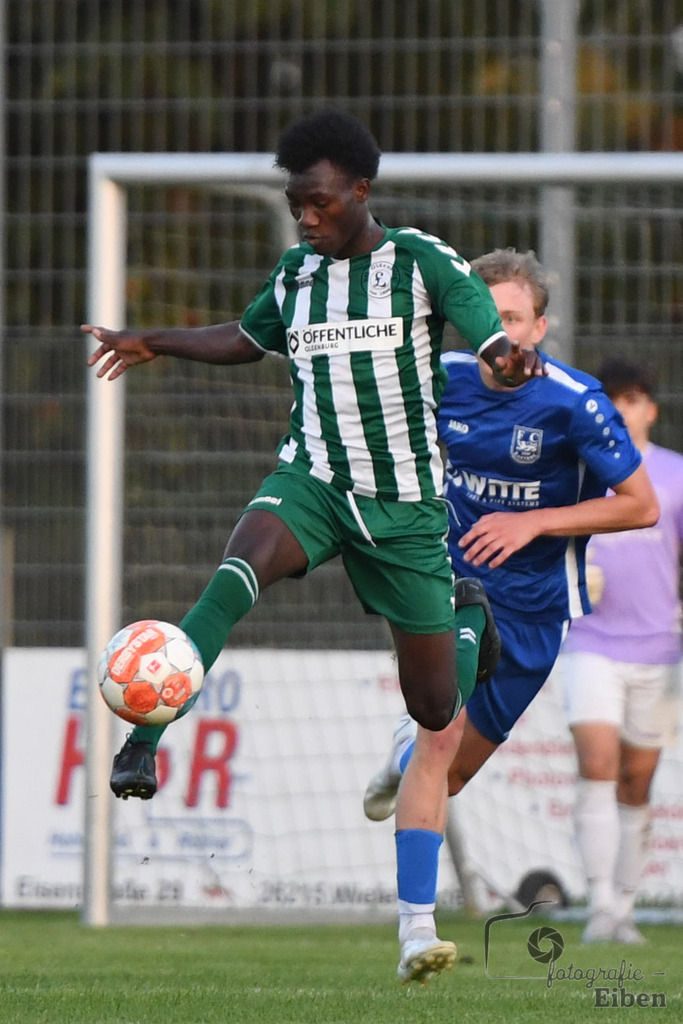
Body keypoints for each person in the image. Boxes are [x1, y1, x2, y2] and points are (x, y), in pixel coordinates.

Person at [84, 110, 545, 985]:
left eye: (318, 202)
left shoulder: (418, 262)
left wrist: (498, 355)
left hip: (405, 508)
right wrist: (156, 340)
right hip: (313, 481)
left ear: (359, 192)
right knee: (237, 565)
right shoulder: (296, 276)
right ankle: (149, 730)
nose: (304, 217)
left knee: (434, 707)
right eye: (295, 203)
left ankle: (462, 621)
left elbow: (481, 326)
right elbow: (247, 339)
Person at [362, 251, 659, 927]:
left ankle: (399, 756)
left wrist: (536, 523)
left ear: (539, 327)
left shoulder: (573, 400)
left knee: (453, 772)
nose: (501, 332)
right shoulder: (438, 381)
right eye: (486, 316)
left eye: (514, 317)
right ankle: (416, 929)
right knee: (439, 746)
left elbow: (640, 505)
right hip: (451, 584)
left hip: (535, 611)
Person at [560, 360, 683, 945]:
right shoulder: (577, 474)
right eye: (612, 400)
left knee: (638, 781)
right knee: (597, 765)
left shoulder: (676, 476)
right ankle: (599, 906)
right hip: (591, 643)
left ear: (650, 409)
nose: (623, 409)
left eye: (633, 399)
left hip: (660, 653)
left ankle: (627, 909)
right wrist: (578, 571)